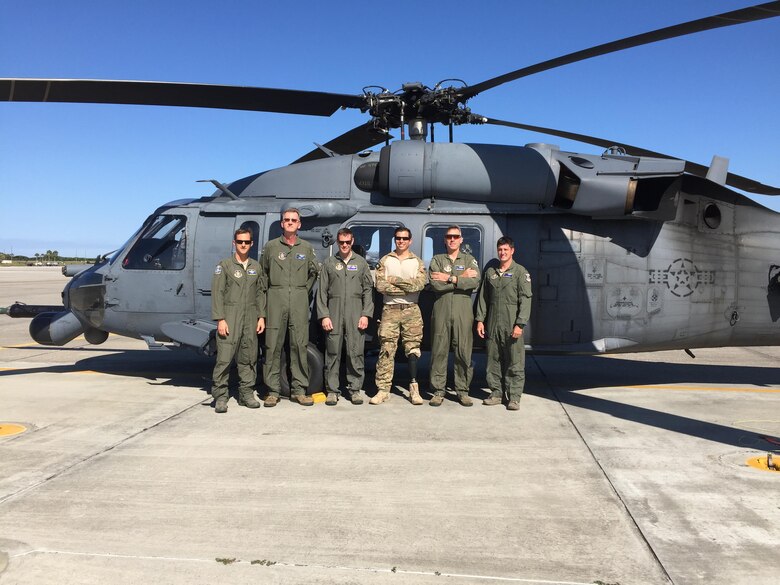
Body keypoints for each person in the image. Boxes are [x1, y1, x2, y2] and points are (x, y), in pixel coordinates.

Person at [257, 208, 319, 407]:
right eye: (287, 220)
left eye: (294, 220)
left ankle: (299, 389)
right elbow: (262, 277)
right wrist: (264, 307)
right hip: (276, 298)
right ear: (282, 224)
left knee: (299, 345)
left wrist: (302, 291)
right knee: (273, 345)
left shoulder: (306, 248)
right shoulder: (271, 247)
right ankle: (273, 390)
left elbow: (313, 273)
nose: (290, 222)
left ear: (299, 224)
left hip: (299, 300)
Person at [316, 228, 374, 406]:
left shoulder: (362, 263)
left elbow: (367, 291)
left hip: (355, 312)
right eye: (341, 242)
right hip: (334, 311)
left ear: (352, 241)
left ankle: (355, 389)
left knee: (355, 352)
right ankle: (332, 390)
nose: (345, 245)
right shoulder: (329, 263)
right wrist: (324, 316)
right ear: (337, 242)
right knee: (333, 353)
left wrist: (366, 314)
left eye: (348, 242)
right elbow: (322, 292)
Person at [475, 236, 532, 411]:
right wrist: (480, 320)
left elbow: (526, 299)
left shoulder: (520, 272)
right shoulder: (491, 272)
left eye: (506, 249)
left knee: (515, 362)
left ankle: (514, 397)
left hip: (511, 324)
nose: (502, 252)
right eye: (500, 250)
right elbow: (483, 298)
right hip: (493, 323)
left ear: (512, 251)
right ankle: (496, 393)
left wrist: (520, 324)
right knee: (493, 361)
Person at [371, 226, 427, 405]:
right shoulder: (386, 260)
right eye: (398, 238)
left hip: (412, 310)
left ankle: (414, 389)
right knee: (387, 349)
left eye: (404, 238)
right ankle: (383, 390)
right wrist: (405, 286)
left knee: (413, 349)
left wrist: (394, 280)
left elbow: (418, 285)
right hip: (390, 310)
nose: (401, 241)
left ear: (410, 241)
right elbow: (380, 286)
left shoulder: (417, 262)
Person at [210, 228, 262, 413]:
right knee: (224, 358)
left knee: (248, 358)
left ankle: (246, 394)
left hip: (250, 316)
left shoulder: (256, 267)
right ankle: (221, 396)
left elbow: (260, 293)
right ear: (234, 243)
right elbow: (217, 293)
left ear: (251, 244)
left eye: (247, 242)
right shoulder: (224, 266)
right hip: (230, 316)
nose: (243, 245)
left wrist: (261, 316)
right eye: (240, 241)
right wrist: (220, 319)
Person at [428, 226, 481, 407]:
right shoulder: (437, 260)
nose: (452, 239)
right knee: (439, 351)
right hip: (441, 310)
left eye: (455, 236)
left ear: (461, 239)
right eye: (449, 236)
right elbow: (435, 285)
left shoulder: (469, 260)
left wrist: (449, 278)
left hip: (462, 312)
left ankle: (462, 391)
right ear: (444, 240)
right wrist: (460, 278)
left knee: (463, 351)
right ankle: (438, 391)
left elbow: (474, 281)